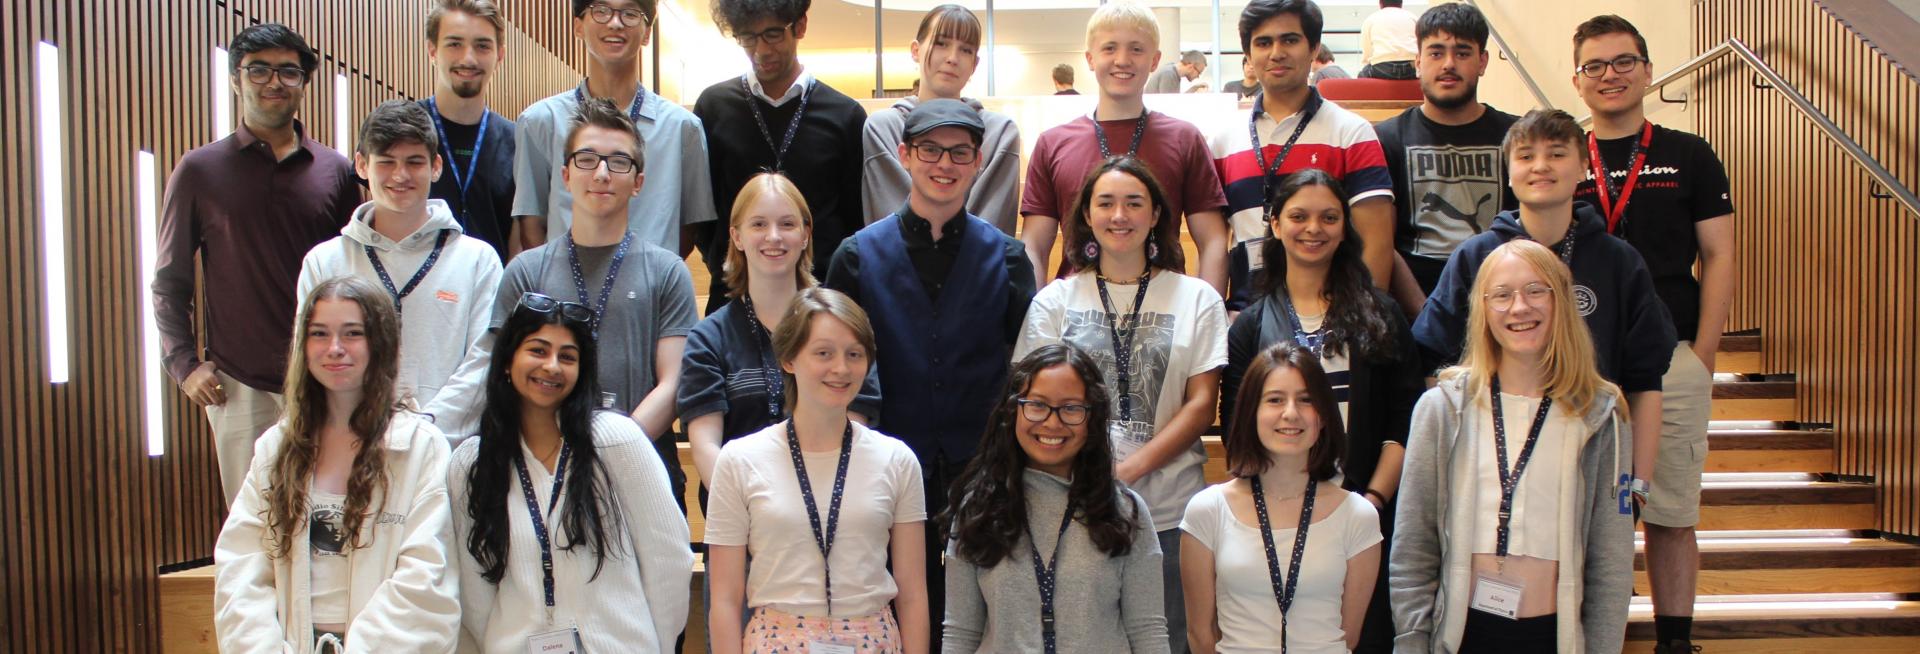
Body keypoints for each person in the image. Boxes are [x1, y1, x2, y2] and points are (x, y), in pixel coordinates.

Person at [1410, 109, 1675, 560]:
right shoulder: (1476, 257)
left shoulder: (1619, 262)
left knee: (1590, 600)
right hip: (1491, 467)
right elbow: (1434, 363)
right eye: (1526, 155)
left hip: (1586, 462)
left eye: (1556, 154)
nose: (1540, 167)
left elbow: (1645, 381)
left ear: (1584, 167)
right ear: (1508, 170)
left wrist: (1637, 487)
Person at [826, 99, 1036, 648]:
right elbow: (837, 368)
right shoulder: (854, 256)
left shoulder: (1010, 259)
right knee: (894, 610)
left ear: (978, 161)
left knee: (981, 617)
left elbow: (1025, 372)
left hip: (984, 473)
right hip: (887, 468)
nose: (945, 163)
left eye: (959, 152)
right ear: (905, 155)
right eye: (931, 150)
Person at [1569, 15, 1737, 653]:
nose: (1609, 75)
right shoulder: (1561, 153)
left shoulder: (1687, 153)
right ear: (1577, 79)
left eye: (1622, 62)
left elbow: (1718, 254)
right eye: (1595, 65)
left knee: (1668, 511)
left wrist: (1705, 353)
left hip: (1672, 358)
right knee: (1580, 509)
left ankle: (1675, 641)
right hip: (1581, 363)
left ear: (1645, 69)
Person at [1013, 157, 1226, 654]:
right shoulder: (1055, 301)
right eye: (1105, 202)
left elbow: (1201, 405)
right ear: (1086, 215)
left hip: (1170, 510)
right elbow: (1034, 405)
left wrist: (1126, 472)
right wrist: (1093, 480)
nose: (1119, 215)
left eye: (1134, 203)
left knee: (1167, 639)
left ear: (1156, 215)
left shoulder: (1197, 298)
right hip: (1070, 508)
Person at [1392, 239, 1636, 653]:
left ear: (1562, 301)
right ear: (1483, 310)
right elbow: (1413, 550)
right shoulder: (1442, 409)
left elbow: (1611, 564)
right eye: (1502, 295)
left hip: (1551, 636)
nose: (1519, 307)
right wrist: (1412, 642)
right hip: (1462, 635)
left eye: (1536, 291)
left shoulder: (1601, 416)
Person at [155, 23, 360, 505]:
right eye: (259, 69)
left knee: (332, 522)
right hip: (238, 385)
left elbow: (355, 281)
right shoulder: (199, 171)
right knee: (252, 531)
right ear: (235, 79)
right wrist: (184, 365)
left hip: (325, 380)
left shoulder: (335, 171)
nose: (274, 82)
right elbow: (169, 281)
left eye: (289, 71)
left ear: (304, 82)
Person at [1220, 170, 1420, 652]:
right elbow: (1236, 427)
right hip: (1277, 518)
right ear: (1274, 224)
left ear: (1345, 227)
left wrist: (1369, 502)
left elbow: (1404, 422)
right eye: (1299, 216)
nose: (1314, 228)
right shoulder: (1251, 324)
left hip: (1362, 513)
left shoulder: (1381, 313)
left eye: (1329, 217)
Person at [213, 277, 459, 652]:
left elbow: (426, 579)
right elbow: (242, 569)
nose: (334, 348)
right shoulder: (276, 448)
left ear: (381, 343)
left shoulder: (421, 449)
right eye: (319, 333)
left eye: (352, 333)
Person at [449, 291, 693, 652]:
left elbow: (667, 558)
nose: (552, 366)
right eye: (537, 350)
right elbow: (474, 586)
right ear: (506, 361)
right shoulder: (472, 461)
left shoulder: (615, 440)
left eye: (567, 357)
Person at [492, 98, 698, 511]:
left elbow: (674, 383)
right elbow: (501, 376)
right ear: (565, 175)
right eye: (587, 159)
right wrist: (563, 455)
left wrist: (614, 450)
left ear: (638, 182)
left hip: (641, 469)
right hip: (541, 470)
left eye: (618, 162)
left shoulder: (667, 271)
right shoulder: (526, 272)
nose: (602, 173)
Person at [705, 288, 930, 653]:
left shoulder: (897, 460)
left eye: (854, 354)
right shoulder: (739, 460)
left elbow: (913, 593)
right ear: (790, 358)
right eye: (824, 353)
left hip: (872, 640)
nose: (841, 368)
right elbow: (726, 602)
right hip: (776, 640)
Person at [942, 344, 1169, 653]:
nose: (1052, 422)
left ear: (1093, 416)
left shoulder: (1124, 511)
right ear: (1013, 410)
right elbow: (960, 634)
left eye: (1071, 408)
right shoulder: (977, 510)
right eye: (1037, 405)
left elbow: (1148, 632)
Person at [297, 100, 502, 441]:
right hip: (351, 444)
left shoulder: (478, 260)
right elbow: (309, 358)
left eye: (414, 162)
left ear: (436, 167)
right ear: (362, 164)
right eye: (386, 162)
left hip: (447, 450)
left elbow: (485, 361)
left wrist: (425, 430)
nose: (400, 175)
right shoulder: (325, 262)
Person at [679, 172, 882, 502]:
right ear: (737, 236)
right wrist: (758, 515)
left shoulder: (843, 324)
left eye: (787, 224)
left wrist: (811, 513)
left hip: (831, 510)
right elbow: (705, 447)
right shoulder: (709, 338)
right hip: (742, 521)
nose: (773, 236)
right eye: (758, 224)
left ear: (805, 235)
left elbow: (856, 430)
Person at [1183, 342, 1383, 654]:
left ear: (1324, 415)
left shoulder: (1358, 514)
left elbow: (1349, 635)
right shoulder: (1208, 510)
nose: (1291, 413)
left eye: (1306, 400)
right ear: (1252, 412)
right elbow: (1201, 635)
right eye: (1275, 400)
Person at [1022, 1, 1229, 297]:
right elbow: (1034, 245)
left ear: (1155, 60)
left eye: (1136, 49)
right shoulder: (1053, 143)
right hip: (1076, 316)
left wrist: (1207, 316)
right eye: (1109, 48)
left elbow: (1212, 240)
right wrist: (1037, 322)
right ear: (1090, 58)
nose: (1122, 60)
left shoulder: (1185, 139)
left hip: (1165, 313)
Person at [1210, 0, 1395, 313]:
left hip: (1331, 320)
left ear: (1314, 48)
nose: (1276, 52)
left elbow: (1375, 244)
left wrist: (1361, 321)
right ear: (1249, 55)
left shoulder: (1352, 134)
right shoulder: (1224, 141)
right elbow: (1215, 244)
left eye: (1290, 40)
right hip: (1246, 321)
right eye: (1263, 42)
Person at [695, 0, 868, 313]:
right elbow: (704, 215)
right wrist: (732, 262)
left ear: (800, 26)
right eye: (748, 37)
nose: (761, 50)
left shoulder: (845, 115)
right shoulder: (713, 107)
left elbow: (854, 219)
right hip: (734, 298)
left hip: (822, 299)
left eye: (773, 34)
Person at [512, 0, 716, 255]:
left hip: (652, 291)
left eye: (630, 13)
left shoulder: (683, 128)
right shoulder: (541, 120)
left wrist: (655, 278)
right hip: (566, 290)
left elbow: (690, 227)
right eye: (601, 11)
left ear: (647, 33)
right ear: (578, 26)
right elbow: (531, 221)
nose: (615, 23)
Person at [1375, 2, 1520, 298]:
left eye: (1463, 53)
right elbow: (1382, 244)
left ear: (1482, 61)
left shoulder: (1517, 137)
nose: (1448, 64)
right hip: (1415, 309)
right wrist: (1425, 321)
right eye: (1436, 52)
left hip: (1503, 302)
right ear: (1418, 61)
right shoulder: (1387, 138)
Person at [862, 5, 1024, 234]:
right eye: (941, 43)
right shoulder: (883, 128)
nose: (952, 58)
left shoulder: (999, 133)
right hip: (897, 267)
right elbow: (888, 226)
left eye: (966, 50)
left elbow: (992, 234)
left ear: (975, 64)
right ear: (916, 50)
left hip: (977, 267)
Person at [420, 0, 519, 262]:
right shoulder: (402, 129)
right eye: (454, 44)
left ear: (500, 55)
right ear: (432, 51)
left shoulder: (518, 140)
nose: (468, 58)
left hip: (493, 295)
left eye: (482, 46)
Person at [1357, 0, 1416, 80]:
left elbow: (1367, 56)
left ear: (1380, 3)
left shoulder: (1371, 19)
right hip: (1412, 67)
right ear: (1401, 4)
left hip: (1382, 67)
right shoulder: (1413, 17)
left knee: (1362, 75)